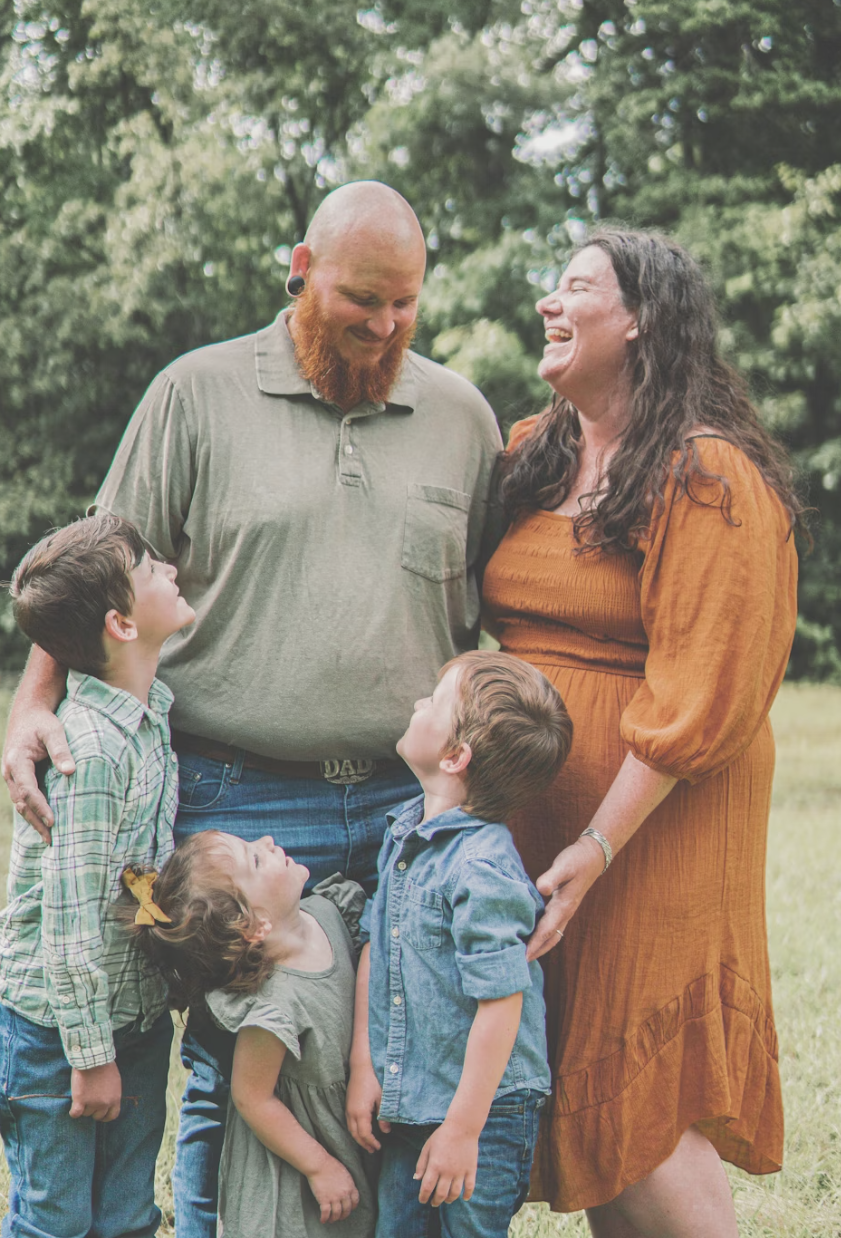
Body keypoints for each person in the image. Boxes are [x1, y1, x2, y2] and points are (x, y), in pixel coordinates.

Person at [0, 180, 502, 1236]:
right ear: (301, 267)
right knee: (217, 1063)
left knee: (391, 1067)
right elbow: (93, 575)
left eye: (406, 303)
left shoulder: (462, 417)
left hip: (403, 806)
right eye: (363, 299)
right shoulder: (195, 391)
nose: (385, 326)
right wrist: (27, 711)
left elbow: (501, 606)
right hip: (226, 798)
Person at [482, 228, 802, 1237]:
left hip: (648, 826)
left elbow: (700, 689)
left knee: (644, 1093)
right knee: (590, 1096)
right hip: (544, 825)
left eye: (576, 286)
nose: (549, 302)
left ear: (643, 320)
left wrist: (596, 842)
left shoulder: (705, 474)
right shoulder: (538, 449)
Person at [0, 515, 195, 1238]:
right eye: (149, 569)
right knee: (58, 1220)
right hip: (56, 1035)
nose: (169, 569)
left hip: (130, 1019)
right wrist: (91, 1057)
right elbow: (71, 922)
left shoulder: (149, 717)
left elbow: (137, 875)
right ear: (122, 624)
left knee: (129, 1216)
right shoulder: (92, 751)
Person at [347, 651, 573, 1237]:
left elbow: (502, 1002)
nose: (419, 703)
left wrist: (463, 1130)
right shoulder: (405, 833)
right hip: (413, 1096)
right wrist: (365, 1067)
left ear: (454, 756)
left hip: (485, 1112)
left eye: (435, 700)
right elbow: (378, 946)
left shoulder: (482, 869)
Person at [129, 833, 375, 1238]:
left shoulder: (330, 913)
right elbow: (252, 1098)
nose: (268, 840)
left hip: (344, 1138)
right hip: (294, 1186)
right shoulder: (275, 1005)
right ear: (254, 927)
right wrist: (319, 1166)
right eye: (256, 860)